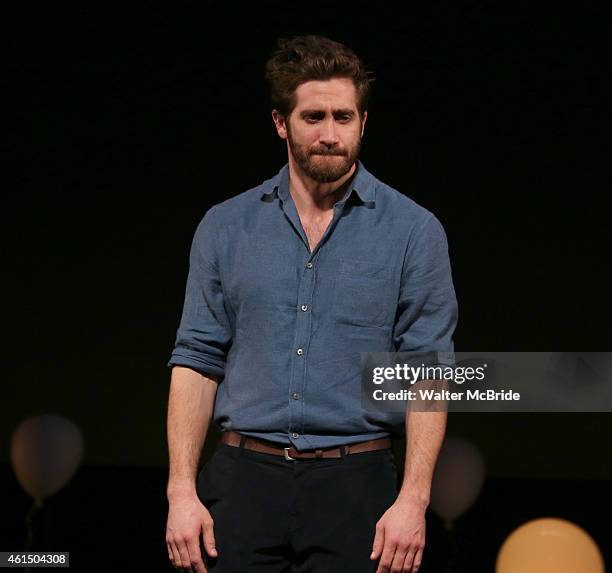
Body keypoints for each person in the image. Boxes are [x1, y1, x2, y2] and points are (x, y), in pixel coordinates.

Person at [165, 35, 458, 573]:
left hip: (356, 487)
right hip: (242, 479)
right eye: (313, 117)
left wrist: (414, 500)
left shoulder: (413, 231)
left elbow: (428, 372)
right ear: (281, 123)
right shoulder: (226, 226)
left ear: (363, 123)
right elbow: (197, 358)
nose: (330, 135)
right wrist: (180, 492)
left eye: (344, 117)